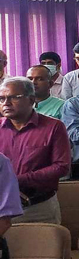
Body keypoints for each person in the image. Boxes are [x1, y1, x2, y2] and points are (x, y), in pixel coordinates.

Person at [0, 77, 71, 224]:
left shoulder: (53, 127)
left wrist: (18, 180)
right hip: (3, 208)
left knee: (41, 246)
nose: (6, 103)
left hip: (38, 207)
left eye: (14, 97)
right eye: (1, 98)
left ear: (31, 100)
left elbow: (61, 167)